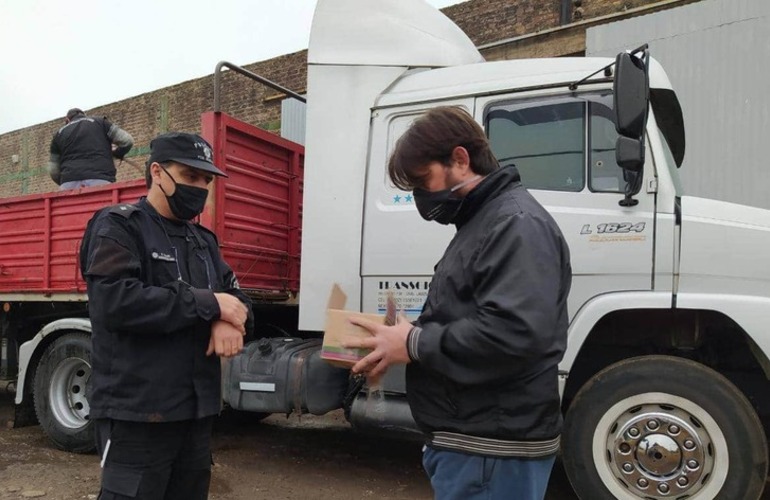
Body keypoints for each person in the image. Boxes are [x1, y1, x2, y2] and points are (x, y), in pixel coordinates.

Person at [345, 107, 572, 500]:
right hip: (476, 441)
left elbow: (514, 332)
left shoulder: (515, 223)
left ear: (461, 159)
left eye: (423, 180)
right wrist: (404, 337)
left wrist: (413, 343)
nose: (421, 196)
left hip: (491, 447)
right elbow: (475, 315)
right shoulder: (483, 221)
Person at [79, 132, 252, 500]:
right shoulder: (120, 226)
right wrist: (210, 305)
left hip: (195, 413)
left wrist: (226, 317)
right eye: (190, 176)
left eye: (206, 180)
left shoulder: (203, 241)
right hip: (138, 414)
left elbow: (238, 299)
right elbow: (115, 301)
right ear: (157, 172)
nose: (200, 187)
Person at [49, 108, 134, 190]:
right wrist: (116, 153)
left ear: (67, 119)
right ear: (84, 115)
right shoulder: (100, 122)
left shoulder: (58, 134)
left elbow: (53, 171)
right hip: (100, 180)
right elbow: (127, 141)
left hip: (68, 184)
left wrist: (65, 180)